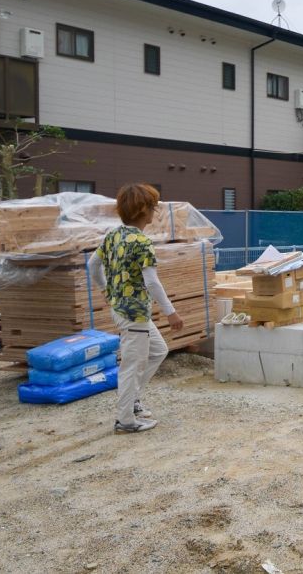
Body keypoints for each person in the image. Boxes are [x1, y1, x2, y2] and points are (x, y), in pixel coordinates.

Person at [89, 183, 183, 434]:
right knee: (131, 365)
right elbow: (151, 281)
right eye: (153, 206)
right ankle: (126, 419)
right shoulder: (142, 243)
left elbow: (92, 264)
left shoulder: (113, 236)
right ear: (143, 210)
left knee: (158, 350)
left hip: (124, 311)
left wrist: (106, 289)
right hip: (135, 314)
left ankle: (133, 401)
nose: (155, 211)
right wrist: (170, 312)